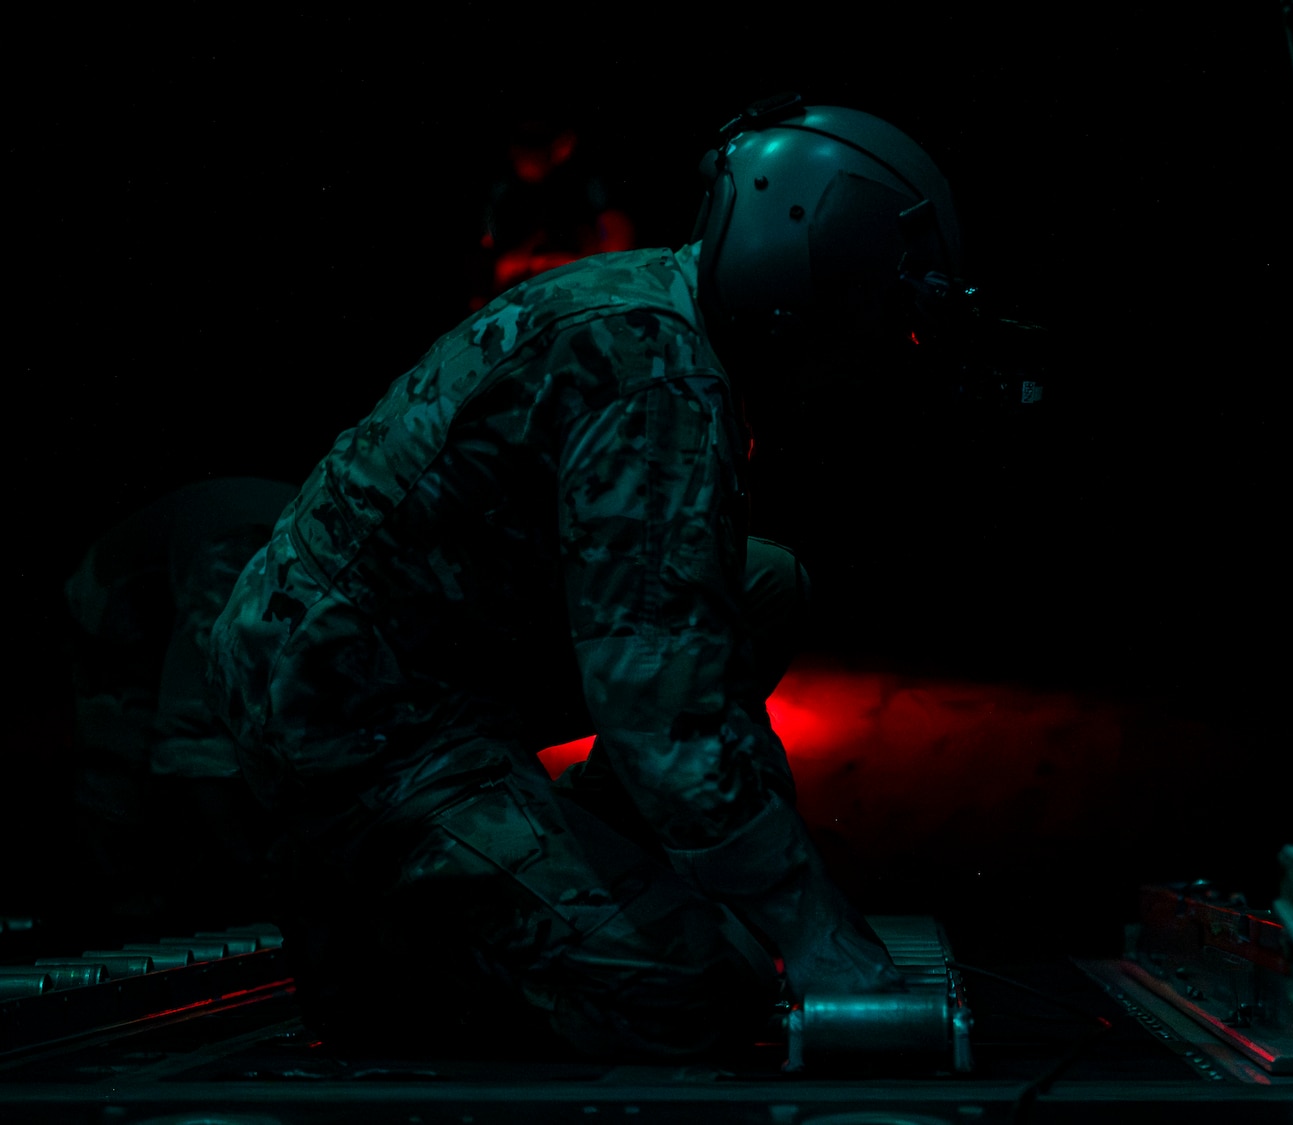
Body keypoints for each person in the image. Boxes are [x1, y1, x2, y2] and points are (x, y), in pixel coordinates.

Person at [206, 97, 965, 1058]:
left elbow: (682, 630)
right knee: (704, 989)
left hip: (407, 657)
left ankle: (562, 863)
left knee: (764, 585)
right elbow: (670, 714)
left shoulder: (668, 309)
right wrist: (818, 937)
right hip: (357, 722)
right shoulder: (657, 378)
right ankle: (394, 924)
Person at [64, 477, 297, 931]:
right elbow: (191, 739)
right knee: (124, 771)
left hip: (177, 586)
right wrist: (255, 868)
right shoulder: (236, 561)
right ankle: (125, 918)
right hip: (113, 618)